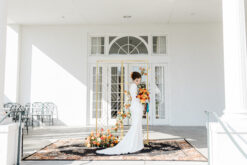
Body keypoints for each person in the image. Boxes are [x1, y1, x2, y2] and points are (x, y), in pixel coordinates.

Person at [96, 71, 144, 155]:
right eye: (138, 80)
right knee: (136, 125)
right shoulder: (134, 86)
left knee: (137, 125)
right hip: (136, 106)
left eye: (139, 80)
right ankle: (132, 144)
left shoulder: (134, 86)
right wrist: (142, 98)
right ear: (135, 79)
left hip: (136, 106)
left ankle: (137, 144)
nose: (139, 81)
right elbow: (136, 97)